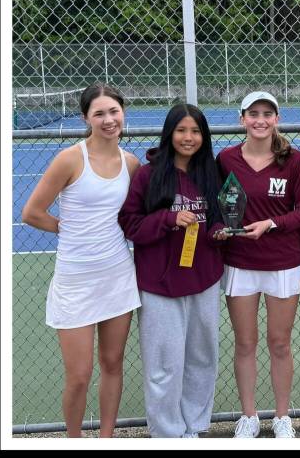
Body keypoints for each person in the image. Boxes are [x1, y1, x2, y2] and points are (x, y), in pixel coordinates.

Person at [21, 83, 141, 437]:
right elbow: (31, 213)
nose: (108, 120)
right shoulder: (70, 159)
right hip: (75, 282)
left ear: (123, 113)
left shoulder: (131, 163)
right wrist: (66, 228)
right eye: (99, 113)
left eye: (114, 111)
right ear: (85, 118)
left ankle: (106, 437)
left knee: (112, 364)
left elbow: (136, 217)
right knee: (79, 375)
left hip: (117, 277)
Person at [117, 103, 227, 438]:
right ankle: (167, 432)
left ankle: (194, 427)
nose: (188, 137)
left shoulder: (210, 173)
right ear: (169, 134)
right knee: (164, 363)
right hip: (160, 285)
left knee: (202, 358)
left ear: (204, 136)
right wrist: (168, 219)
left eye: (195, 131)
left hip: (204, 280)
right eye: (181, 130)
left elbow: (219, 216)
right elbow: (130, 224)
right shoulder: (148, 175)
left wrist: (218, 231)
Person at [217, 91, 300, 438]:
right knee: (245, 343)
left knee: (279, 343)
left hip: (284, 263)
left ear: (277, 119)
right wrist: (220, 229)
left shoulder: (295, 161)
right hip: (240, 263)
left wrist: (272, 225)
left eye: (267, 114)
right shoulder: (226, 159)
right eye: (253, 114)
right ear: (242, 119)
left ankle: (282, 417)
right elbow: (217, 207)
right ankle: (249, 416)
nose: (260, 120)